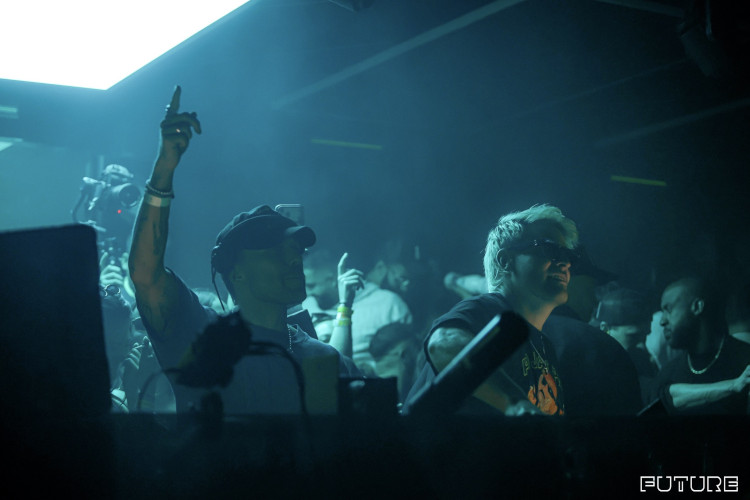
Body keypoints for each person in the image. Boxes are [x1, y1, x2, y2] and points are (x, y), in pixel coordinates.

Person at [128, 86, 359, 414]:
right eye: (275, 251)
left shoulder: (324, 359)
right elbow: (146, 274)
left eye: (295, 249)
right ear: (236, 272)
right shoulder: (201, 337)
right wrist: (164, 168)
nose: (294, 259)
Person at [408, 204, 578, 416]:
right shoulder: (487, 309)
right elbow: (443, 344)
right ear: (505, 261)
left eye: (568, 255)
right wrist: (516, 404)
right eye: (549, 249)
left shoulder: (546, 346)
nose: (565, 263)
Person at [302, 248, 412, 376]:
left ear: (332, 280)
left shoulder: (388, 304)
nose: (308, 292)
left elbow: (407, 357)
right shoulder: (307, 306)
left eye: (311, 286)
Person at [651, 276, 750, 414]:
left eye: (669, 309)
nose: (662, 321)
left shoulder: (745, 360)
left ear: (697, 307)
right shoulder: (667, 374)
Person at [594, 287, 658, 405]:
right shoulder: (588, 364)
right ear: (605, 329)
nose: (642, 345)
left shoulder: (641, 360)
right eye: (633, 336)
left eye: (644, 335)